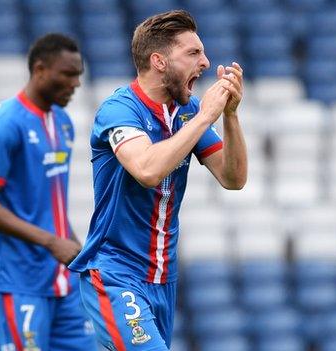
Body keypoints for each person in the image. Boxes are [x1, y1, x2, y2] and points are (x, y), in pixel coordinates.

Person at [69, 9, 248, 351]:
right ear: (159, 61)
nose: (207, 63)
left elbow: (233, 177)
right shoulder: (119, 110)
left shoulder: (186, 112)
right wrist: (206, 115)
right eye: (193, 53)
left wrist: (230, 117)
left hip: (163, 279)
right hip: (115, 273)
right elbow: (147, 170)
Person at [0, 33, 97, 351]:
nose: (76, 83)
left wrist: (79, 250)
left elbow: (49, 202)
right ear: (40, 70)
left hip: (58, 279)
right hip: (17, 278)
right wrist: (52, 241)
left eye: (78, 75)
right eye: (68, 74)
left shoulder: (63, 123)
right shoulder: (6, 123)